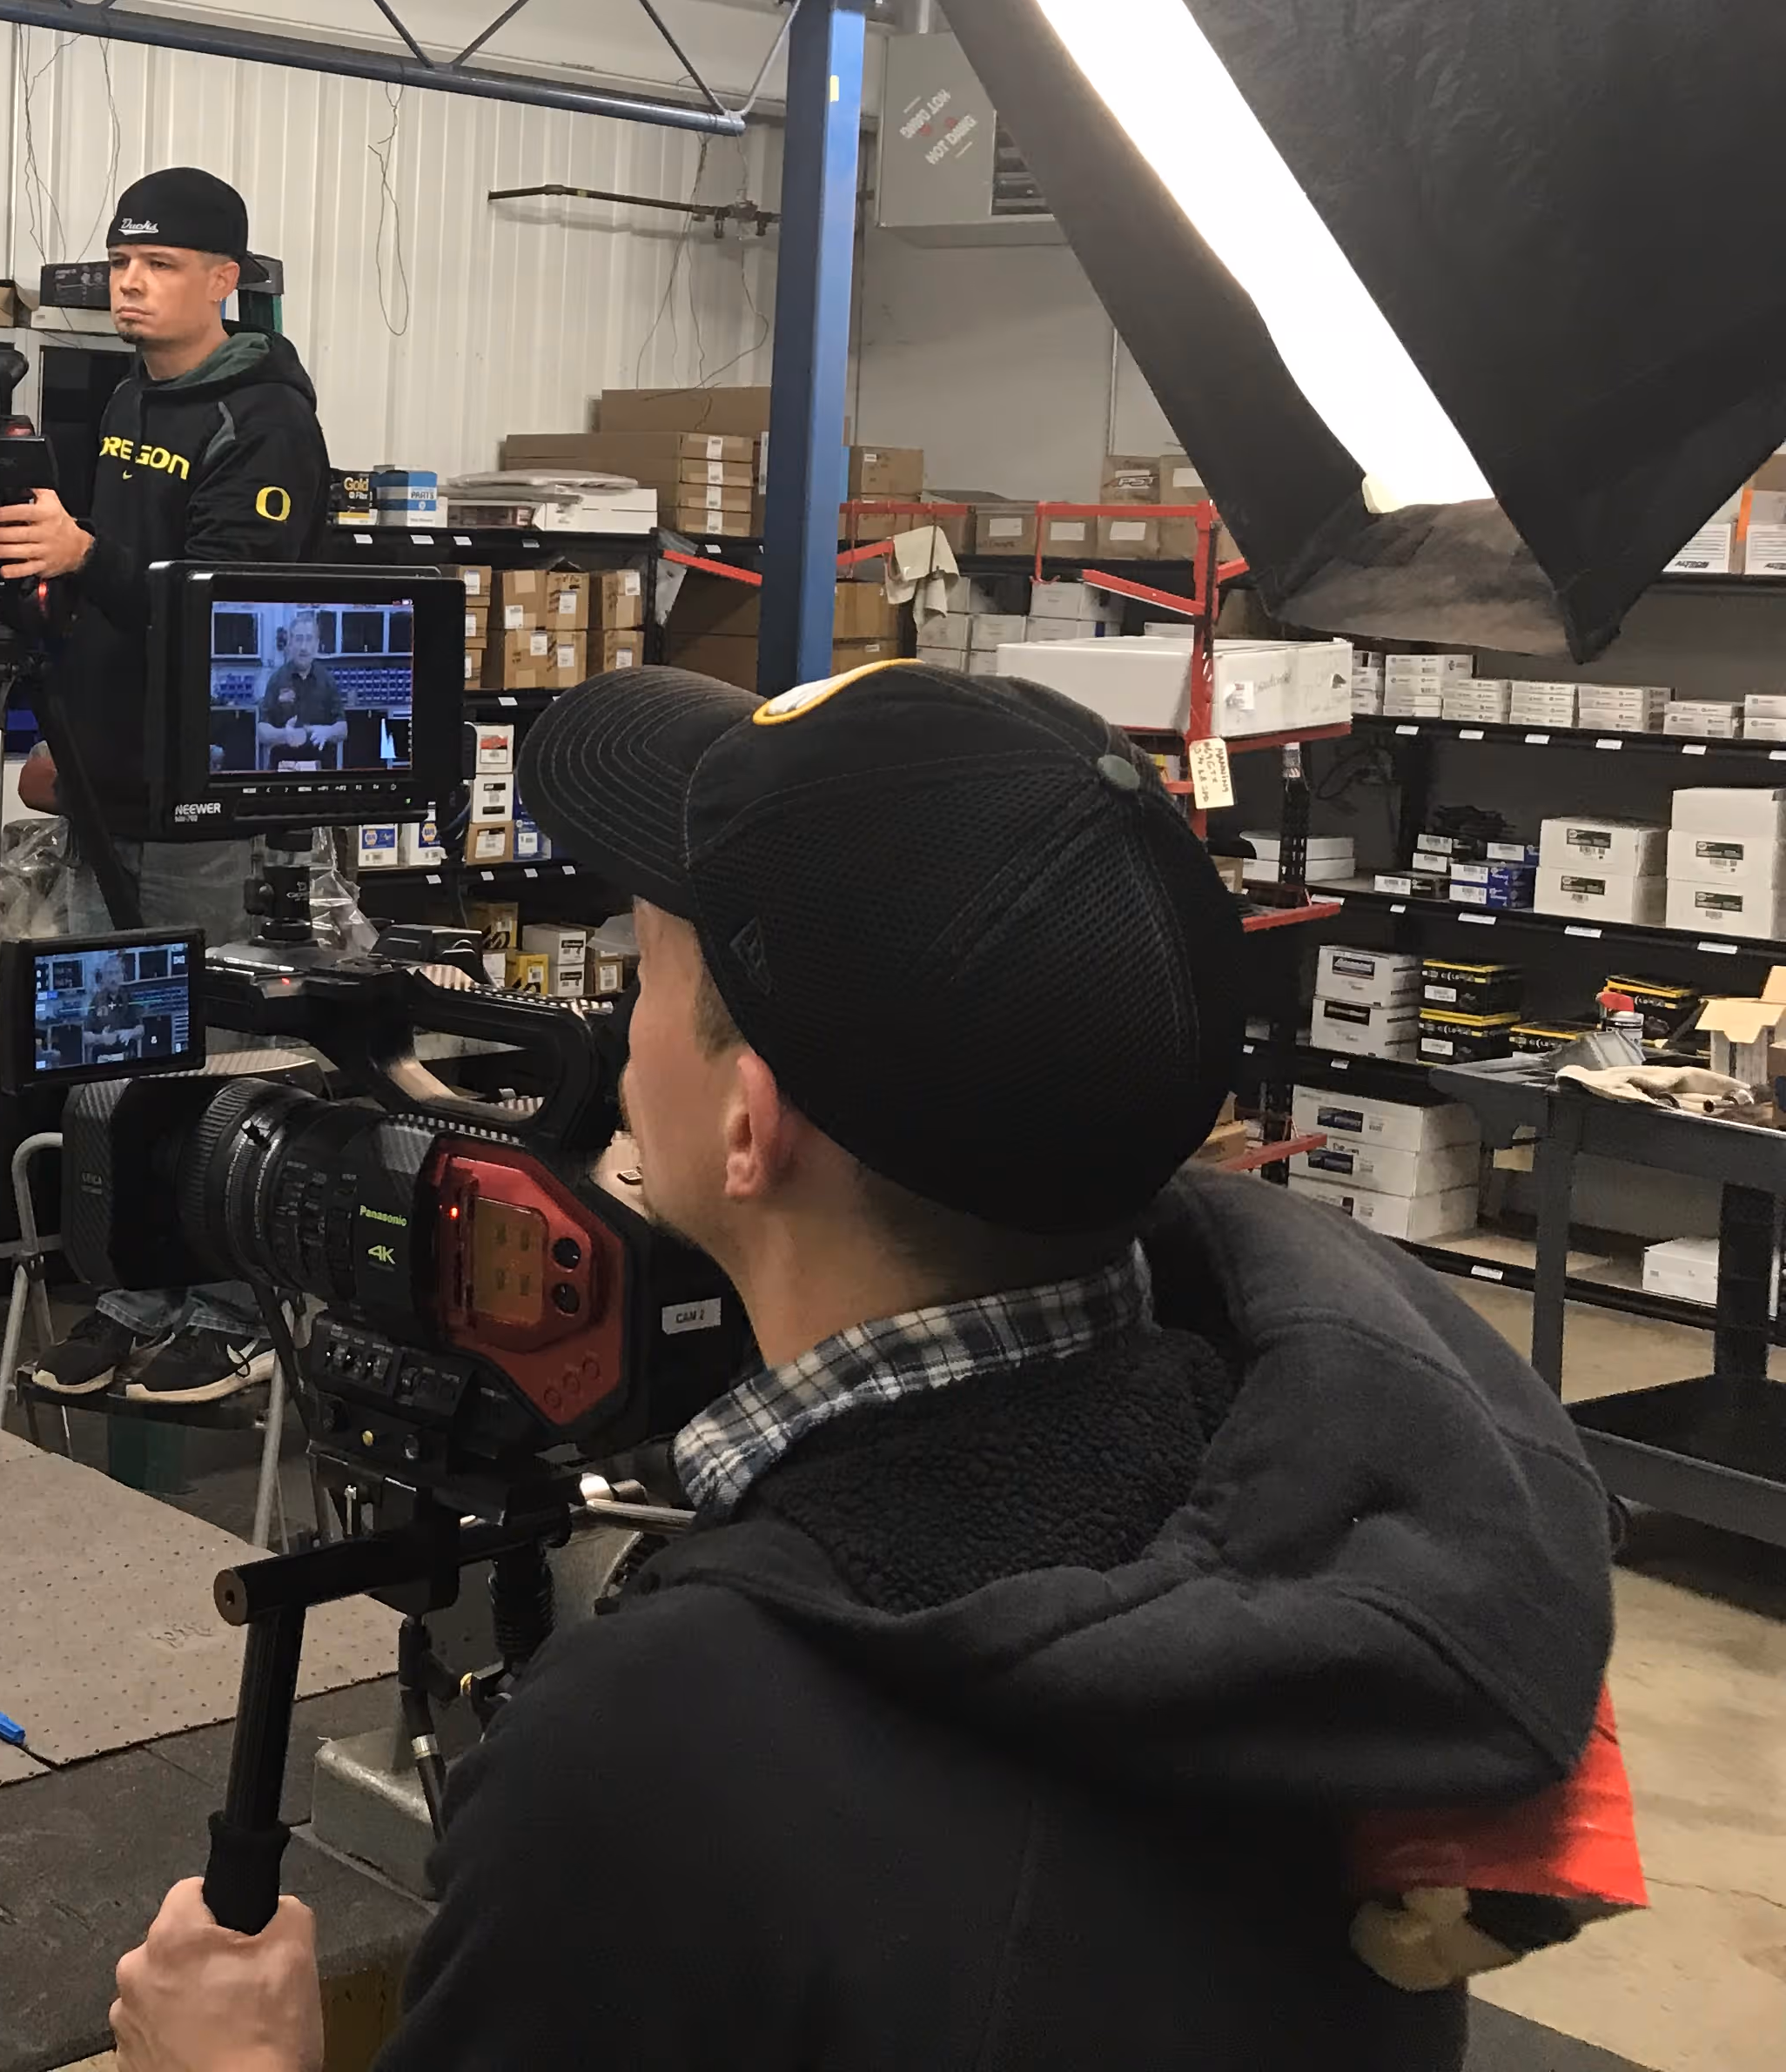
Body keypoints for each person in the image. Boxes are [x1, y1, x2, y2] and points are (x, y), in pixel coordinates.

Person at [106, 659, 1618, 2072]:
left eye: (641, 978)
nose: (612, 1030)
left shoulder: (654, 1758)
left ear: (750, 1125)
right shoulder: (1342, 1553)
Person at [0, 166, 328, 1411]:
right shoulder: (136, 391)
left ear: (224, 282)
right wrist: (68, 736)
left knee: (217, 1063)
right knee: (108, 1061)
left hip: (204, 804)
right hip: (108, 787)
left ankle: (231, 1312)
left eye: (163, 264)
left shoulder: (262, 419)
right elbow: (116, 599)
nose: (132, 282)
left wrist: (88, 553)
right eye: (124, 261)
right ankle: (132, 1298)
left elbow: (229, 616)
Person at [252, 611, 346, 768]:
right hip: (284, 769)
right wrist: (284, 735)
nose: (303, 647)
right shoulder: (277, 680)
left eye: (309, 639)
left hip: (321, 768)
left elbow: (343, 729)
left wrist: (327, 732)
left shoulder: (327, 680)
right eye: (298, 639)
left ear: (316, 644)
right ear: (290, 643)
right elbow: (262, 731)